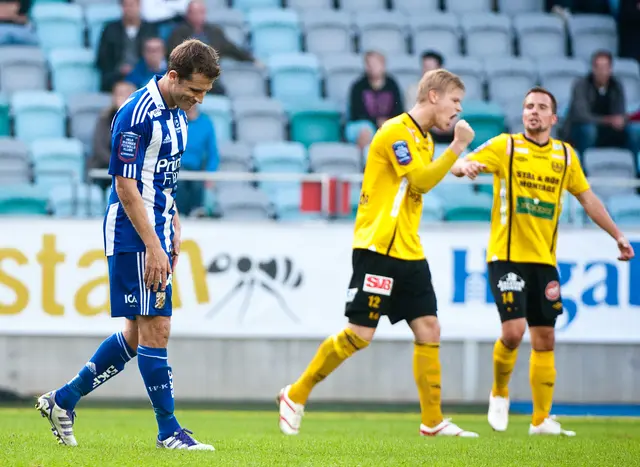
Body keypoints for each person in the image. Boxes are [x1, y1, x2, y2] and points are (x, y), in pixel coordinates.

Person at [36, 38, 221, 451]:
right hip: (133, 232)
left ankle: (62, 400)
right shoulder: (136, 113)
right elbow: (125, 184)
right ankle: (169, 431)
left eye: (205, 93)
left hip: (156, 227)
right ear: (172, 76)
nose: (200, 99)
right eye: (195, 90)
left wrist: (173, 220)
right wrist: (153, 245)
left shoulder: (178, 113)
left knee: (138, 335)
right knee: (158, 327)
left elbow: (164, 178)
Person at [277, 69, 479, 438]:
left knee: (429, 327)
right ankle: (295, 393)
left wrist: (454, 163)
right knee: (359, 334)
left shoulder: (424, 140)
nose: (458, 110)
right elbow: (418, 181)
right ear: (433, 96)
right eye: (455, 101)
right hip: (379, 246)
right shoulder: (394, 132)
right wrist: (458, 148)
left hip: (408, 248)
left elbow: (422, 178)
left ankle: (432, 421)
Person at [451, 86, 635, 436]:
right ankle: (499, 392)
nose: (533, 112)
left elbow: (588, 198)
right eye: (527, 106)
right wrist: (466, 166)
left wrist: (618, 235)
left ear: (553, 118)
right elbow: (459, 164)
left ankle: (541, 420)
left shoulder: (565, 156)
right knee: (513, 331)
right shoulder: (506, 146)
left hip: (543, 261)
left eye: (540, 107)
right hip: (506, 257)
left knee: (545, 338)